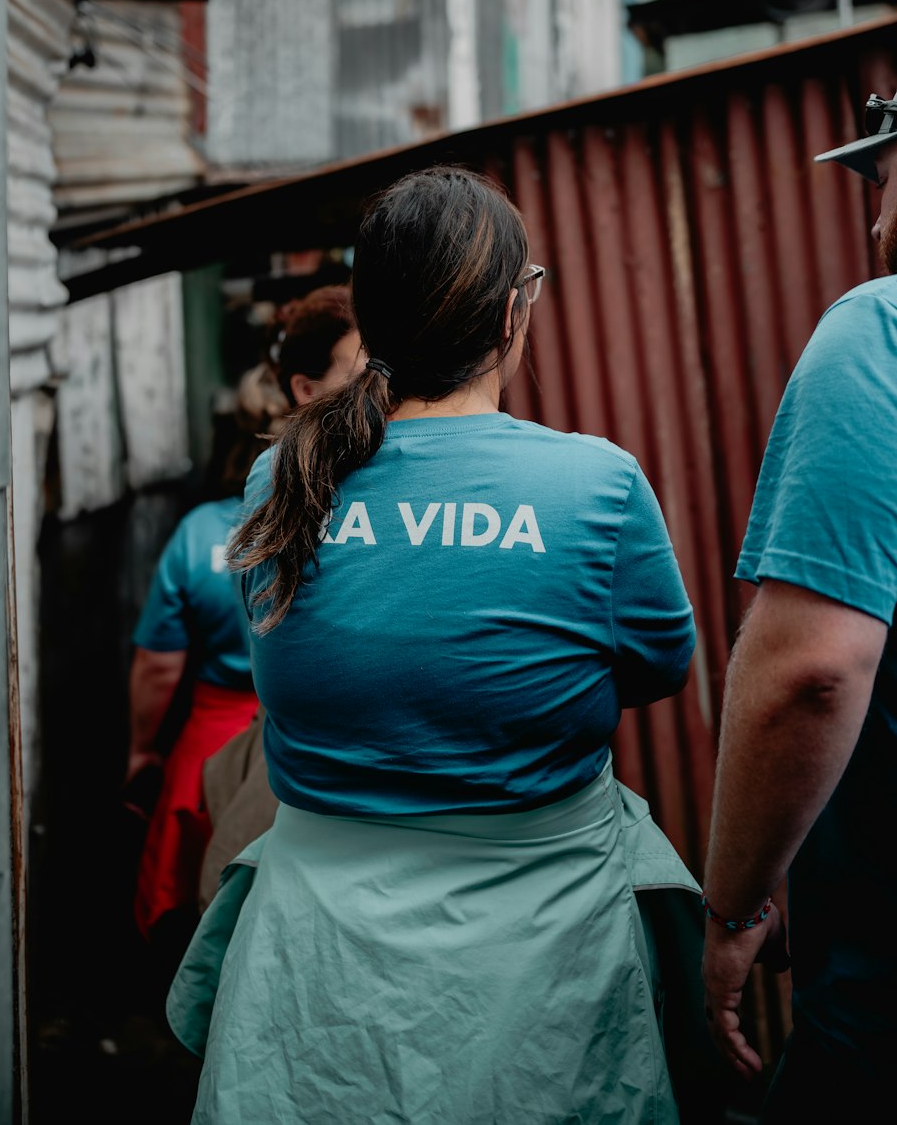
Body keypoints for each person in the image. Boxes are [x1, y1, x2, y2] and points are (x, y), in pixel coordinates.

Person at [168, 167, 700, 1125]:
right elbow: (656, 668)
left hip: (315, 981)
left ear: (374, 320)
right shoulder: (597, 487)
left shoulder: (276, 481)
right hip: (545, 962)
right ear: (511, 316)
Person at [702, 88, 897, 1119]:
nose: (872, 216)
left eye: (882, 173)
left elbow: (810, 673)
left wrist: (734, 903)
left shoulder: (879, 331)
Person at [198, 284, 366, 906]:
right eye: (361, 372)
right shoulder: (276, 485)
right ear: (304, 389)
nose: (384, 388)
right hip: (310, 772)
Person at [124, 367, 289, 952]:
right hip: (297, 735)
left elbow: (159, 665)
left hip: (208, 737)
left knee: (192, 895)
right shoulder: (341, 522)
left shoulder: (198, 535)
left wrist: (143, 750)